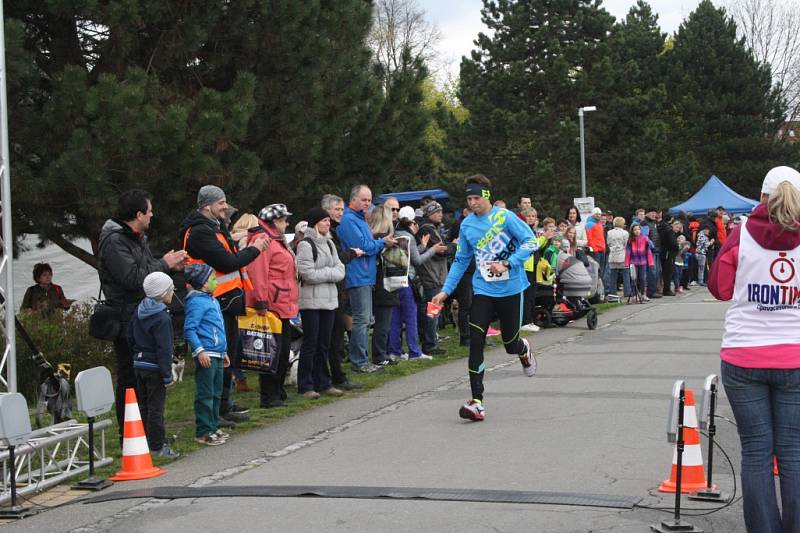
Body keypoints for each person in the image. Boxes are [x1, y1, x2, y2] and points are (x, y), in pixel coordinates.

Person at [709, 166, 800, 532]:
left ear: (761, 198)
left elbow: (719, 287)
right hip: (794, 356)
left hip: (744, 355)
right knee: (793, 452)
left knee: (758, 452)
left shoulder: (740, 233)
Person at [431, 174, 538, 422]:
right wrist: (445, 291)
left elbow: (530, 242)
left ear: (486, 197)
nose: (472, 203)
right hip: (483, 290)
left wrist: (509, 264)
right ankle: (477, 401)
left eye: (476, 197)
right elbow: (460, 261)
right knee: (476, 339)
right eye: (469, 198)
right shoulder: (467, 225)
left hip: (511, 289)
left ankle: (524, 350)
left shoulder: (505, 217)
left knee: (510, 343)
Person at [98, 189, 187, 442]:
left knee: (146, 379)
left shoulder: (137, 238)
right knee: (130, 377)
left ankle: (148, 433)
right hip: (126, 318)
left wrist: (168, 268)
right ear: (138, 214)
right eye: (149, 211)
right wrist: (164, 264)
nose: (152, 215)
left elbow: (146, 272)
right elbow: (133, 278)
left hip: (140, 314)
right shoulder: (115, 241)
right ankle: (129, 434)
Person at [180, 185, 265, 425]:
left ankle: (224, 405)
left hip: (225, 300)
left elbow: (228, 257)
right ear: (207, 205)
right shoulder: (200, 232)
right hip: (214, 301)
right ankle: (215, 412)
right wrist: (254, 249)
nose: (225, 207)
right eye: (221, 203)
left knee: (228, 354)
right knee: (219, 356)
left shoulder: (213, 228)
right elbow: (227, 262)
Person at [337, 185, 396, 373]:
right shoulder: (348, 220)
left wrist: (374, 244)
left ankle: (362, 359)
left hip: (366, 275)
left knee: (365, 320)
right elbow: (364, 246)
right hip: (358, 275)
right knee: (361, 320)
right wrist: (382, 243)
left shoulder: (361, 219)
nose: (367, 203)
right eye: (364, 199)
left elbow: (368, 246)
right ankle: (359, 362)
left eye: (369, 199)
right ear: (353, 199)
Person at [246, 203, 300, 408]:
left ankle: (278, 391)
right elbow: (258, 271)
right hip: (271, 304)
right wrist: (260, 300)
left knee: (281, 349)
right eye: (285, 219)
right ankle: (269, 396)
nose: (287, 223)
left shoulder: (276, 239)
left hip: (282, 302)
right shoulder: (264, 240)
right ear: (275, 221)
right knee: (271, 351)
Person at [295, 207, 346, 399]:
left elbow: (340, 269)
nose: (328, 224)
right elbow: (307, 273)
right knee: (311, 343)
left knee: (325, 343)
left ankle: (323, 381)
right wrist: (329, 274)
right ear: (316, 223)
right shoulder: (306, 245)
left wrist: (326, 274)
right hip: (311, 302)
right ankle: (306, 384)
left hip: (329, 301)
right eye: (324, 220)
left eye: (328, 221)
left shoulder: (331, 244)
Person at [128, 272, 179, 458]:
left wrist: (136, 354)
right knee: (156, 408)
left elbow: (130, 336)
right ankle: (157, 447)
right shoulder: (162, 318)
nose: (173, 290)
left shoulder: (140, 309)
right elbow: (164, 349)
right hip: (155, 368)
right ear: (163, 293)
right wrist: (167, 375)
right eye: (171, 288)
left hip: (139, 364)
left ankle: (144, 440)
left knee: (143, 406)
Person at [184, 264, 230, 446]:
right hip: (206, 354)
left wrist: (223, 351)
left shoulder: (212, 300)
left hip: (217, 352)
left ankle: (213, 425)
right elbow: (190, 329)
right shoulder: (196, 302)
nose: (216, 282)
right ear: (202, 283)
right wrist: (199, 350)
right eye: (212, 279)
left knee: (216, 392)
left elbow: (218, 328)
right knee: (206, 393)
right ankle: (203, 430)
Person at [321, 194, 362, 391]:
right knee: (330, 336)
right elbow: (335, 258)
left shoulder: (335, 231)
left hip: (338, 288)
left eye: (341, 209)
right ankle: (333, 376)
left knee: (336, 336)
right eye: (336, 209)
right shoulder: (324, 234)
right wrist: (353, 253)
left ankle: (337, 375)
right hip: (327, 291)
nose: (340, 213)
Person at [388, 206, 437, 359]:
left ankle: (394, 351)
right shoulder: (408, 238)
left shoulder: (395, 234)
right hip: (406, 280)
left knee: (395, 317)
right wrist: (433, 249)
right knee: (411, 317)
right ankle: (415, 351)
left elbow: (408, 256)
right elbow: (416, 261)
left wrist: (422, 246)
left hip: (392, 280)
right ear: (412, 223)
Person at [416, 201, 452, 356]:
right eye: (436, 212)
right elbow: (442, 250)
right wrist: (455, 246)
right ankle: (430, 345)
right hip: (432, 277)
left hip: (435, 276)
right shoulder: (428, 228)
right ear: (429, 214)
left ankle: (429, 341)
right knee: (432, 312)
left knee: (430, 312)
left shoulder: (433, 227)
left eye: (441, 211)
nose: (440, 214)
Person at [369, 204, 402, 365]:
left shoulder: (371, 237)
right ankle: (380, 355)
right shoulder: (384, 239)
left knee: (381, 323)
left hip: (377, 283)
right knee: (383, 323)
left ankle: (381, 353)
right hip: (385, 283)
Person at [624, 223, 653, 302]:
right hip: (633, 262)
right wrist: (626, 263)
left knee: (643, 279)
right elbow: (628, 252)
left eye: (638, 229)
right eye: (635, 230)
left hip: (643, 262)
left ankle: (643, 294)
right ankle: (633, 295)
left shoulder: (645, 239)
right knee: (633, 279)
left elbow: (648, 251)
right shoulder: (630, 240)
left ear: (641, 230)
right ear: (632, 231)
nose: (637, 231)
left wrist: (650, 262)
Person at [605, 217, 628, 298]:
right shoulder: (625, 233)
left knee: (613, 275)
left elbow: (608, 243)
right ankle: (627, 292)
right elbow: (626, 244)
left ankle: (613, 293)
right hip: (622, 254)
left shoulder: (609, 232)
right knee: (625, 274)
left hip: (612, 255)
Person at [585, 207, 607, 277]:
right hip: (595, 251)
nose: (598, 215)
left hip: (602, 250)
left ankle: (600, 286)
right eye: (596, 214)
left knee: (601, 271)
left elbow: (601, 238)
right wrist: (594, 249)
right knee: (595, 270)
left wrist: (604, 248)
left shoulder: (600, 224)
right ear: (593, 214)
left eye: (599, 214)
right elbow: (589, 238)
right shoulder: (589, 224)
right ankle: (595, 286)